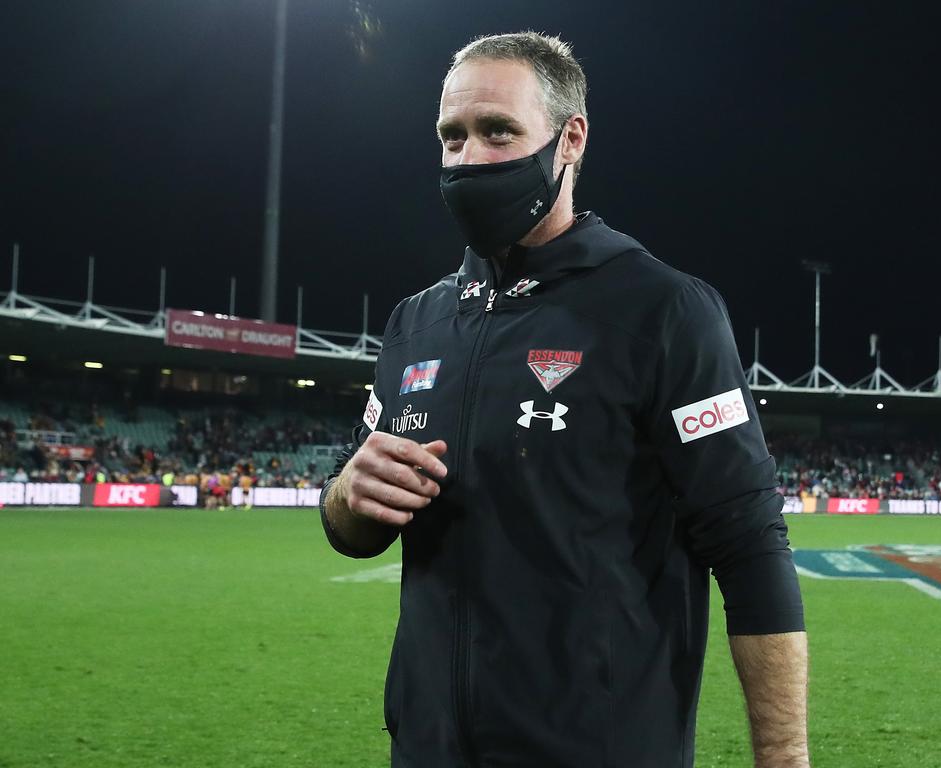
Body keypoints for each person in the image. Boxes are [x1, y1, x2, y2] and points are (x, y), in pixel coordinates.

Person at [321, 32, 808, 768]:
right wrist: (346, 496)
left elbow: (749, 548)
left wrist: (784, 758)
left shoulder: (663, 311)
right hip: (427, 750)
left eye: (497, 132)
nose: (467, 159)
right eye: (451, 137)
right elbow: (351, 523)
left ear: (569, 138)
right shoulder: (415, 322)